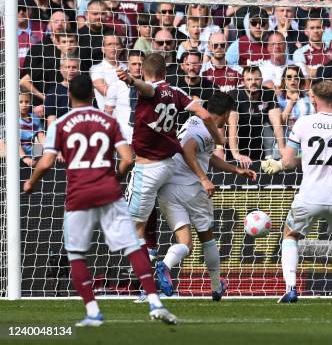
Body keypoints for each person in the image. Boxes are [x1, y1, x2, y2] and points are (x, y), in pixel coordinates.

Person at [23, 75, 177, 326]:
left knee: (76, 254)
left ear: (70, 95)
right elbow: (127, 158)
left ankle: (93, 312)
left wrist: (30, 183)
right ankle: (154, 301)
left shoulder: (61, 124)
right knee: (132, 246)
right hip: (108, 191)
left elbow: (48, 161)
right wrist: (114, 177)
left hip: (78, 195)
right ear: (93, 96)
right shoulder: (108, 121)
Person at [261, 81, 332, 303]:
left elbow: (289, 161)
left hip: (310, 194)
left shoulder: (303, 123)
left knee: (290, 235)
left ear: (313, 99)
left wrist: (280, 165)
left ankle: (291, 288)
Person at [116, 53, 224, 249]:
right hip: (168, 166)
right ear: (165, 72)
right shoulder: (177, 92)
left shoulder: (150, 90)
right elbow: (206, 115)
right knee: (145, 222)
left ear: (143, 71)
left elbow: (148, 89)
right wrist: (218, 139)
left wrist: (132, 80)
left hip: (147, 169)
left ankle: (146, 273)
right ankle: (151, 263)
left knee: (133, 228)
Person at [155, 92, 256, 298]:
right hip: (190, 188)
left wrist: (236, 170)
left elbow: (206, 156)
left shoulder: (195, 119)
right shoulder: (207, 131)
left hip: (167, 187)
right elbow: (188, 149)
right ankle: (216, 285)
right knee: (207, 238)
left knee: (185, 243)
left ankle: (165, 265)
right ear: (227, 114)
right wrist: (203, 178)